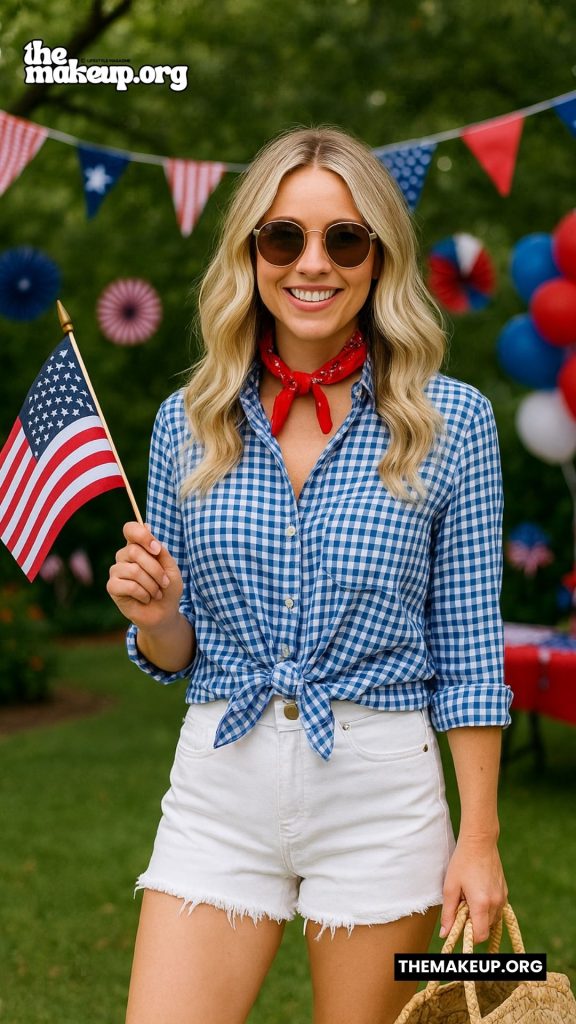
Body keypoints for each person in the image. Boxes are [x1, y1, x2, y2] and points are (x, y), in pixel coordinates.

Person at [107, 125, 512, 1024]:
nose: (312, 263)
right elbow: (174, 654)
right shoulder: (188, 420)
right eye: (284, 237)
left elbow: (471, 652)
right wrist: (158, 616)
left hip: (383, 795)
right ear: (251, 253)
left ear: (380, 257)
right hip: (219, 784)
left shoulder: (452, 422)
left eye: (345, 239)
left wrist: (479, 839)